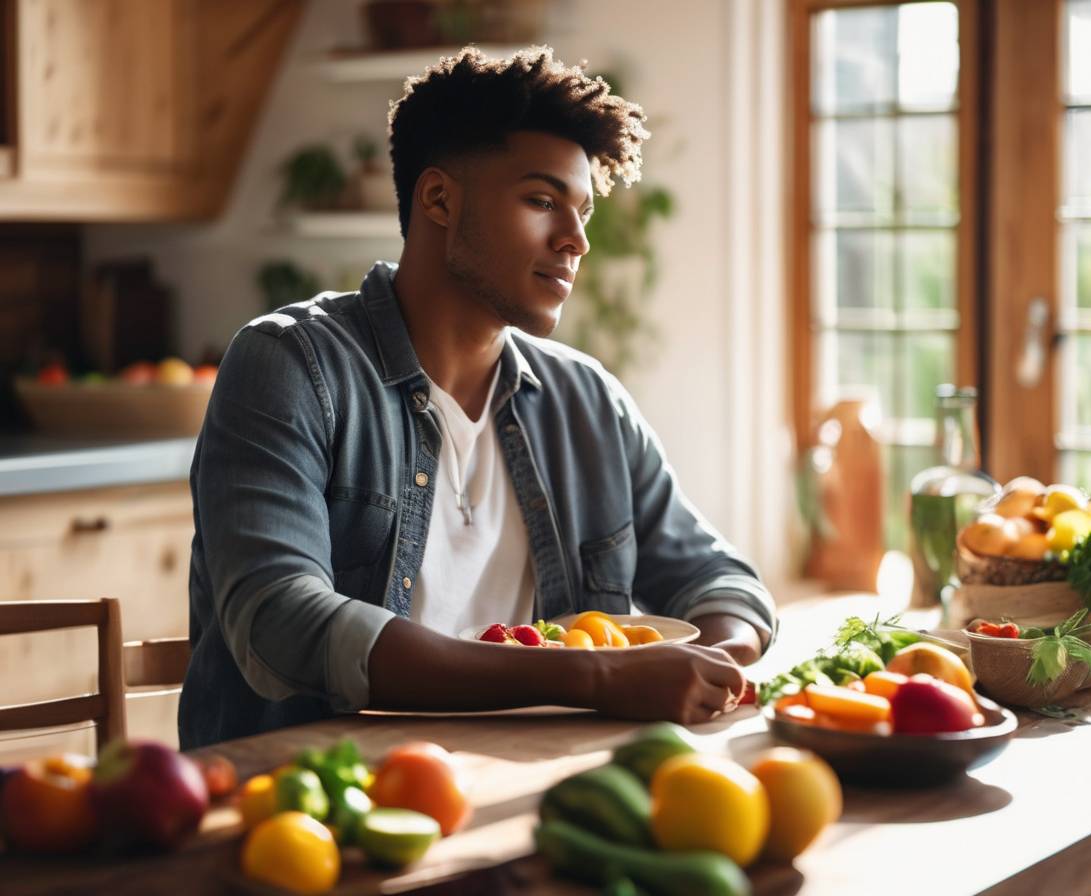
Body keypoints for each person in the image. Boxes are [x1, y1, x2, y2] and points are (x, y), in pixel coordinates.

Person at [179, 46, 777, 749]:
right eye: (543, 201)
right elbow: (282, 620)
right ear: (438, 199)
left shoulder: (587, 401)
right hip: (312, 804)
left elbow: (721, 582)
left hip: (532, 790)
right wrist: (595, 679)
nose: (576, 240)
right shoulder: (289, 366)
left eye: (581, 211)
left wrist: (716, 659)